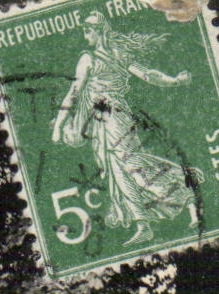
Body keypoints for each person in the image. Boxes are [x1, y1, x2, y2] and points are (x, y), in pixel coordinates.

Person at [50, 12, 197, 247]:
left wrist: (58, 127)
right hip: (103, 122)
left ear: (100, 32)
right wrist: (174, 81)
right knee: (119, 174)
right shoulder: (116, 54)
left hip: (113, 118)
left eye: (88, 30)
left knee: (133, 167)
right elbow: (149, 75)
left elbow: (74, 93)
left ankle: (188, 195)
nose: (85, 34)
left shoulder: (90, 59)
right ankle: (143, 225)